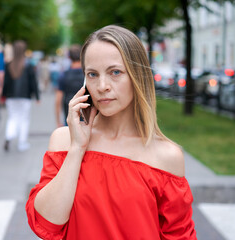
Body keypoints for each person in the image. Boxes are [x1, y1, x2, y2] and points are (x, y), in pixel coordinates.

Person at [26, 25, 197, 239]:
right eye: (92, 74)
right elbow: (47, 224)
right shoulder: (64, 141)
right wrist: (78, 147)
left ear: (138, 76)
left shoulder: (166, 156)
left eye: (115, 72)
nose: (102, 86)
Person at [2, 40, 40, 152]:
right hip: (25, 97)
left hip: (10, 96)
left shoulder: (8, 65)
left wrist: (3, 95)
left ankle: (9, 136)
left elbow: (6, 82)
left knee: (12, 117)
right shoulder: (28, 65)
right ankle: (22, 143)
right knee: (24, 119)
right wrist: (37, 97)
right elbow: (33, 82)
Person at [55, 44, 84, 127]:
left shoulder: (63, 75)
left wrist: (58, 120)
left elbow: (58, 100)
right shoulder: (88, 74)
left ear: (69, 57)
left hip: (69, 112)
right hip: (87, 113)